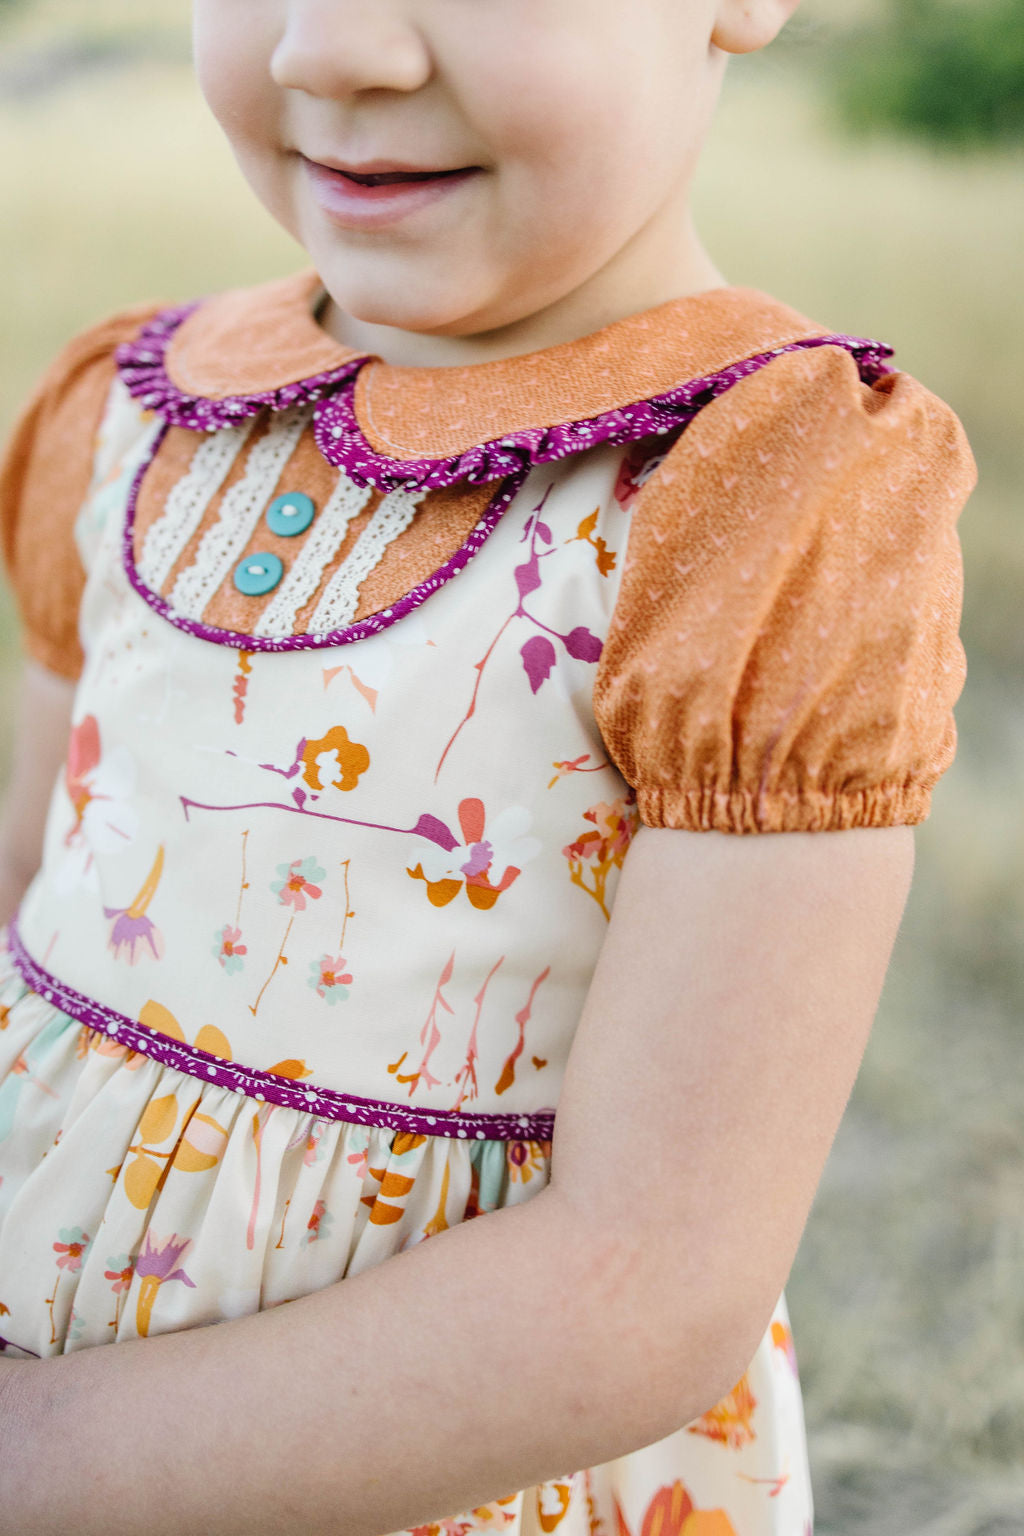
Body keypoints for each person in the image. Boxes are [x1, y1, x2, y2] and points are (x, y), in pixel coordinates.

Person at [0, 1, 976, 1532]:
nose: (331, 50)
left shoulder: (754, 498)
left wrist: (35, 1455)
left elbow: (644, 1288)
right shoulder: (140, 410)